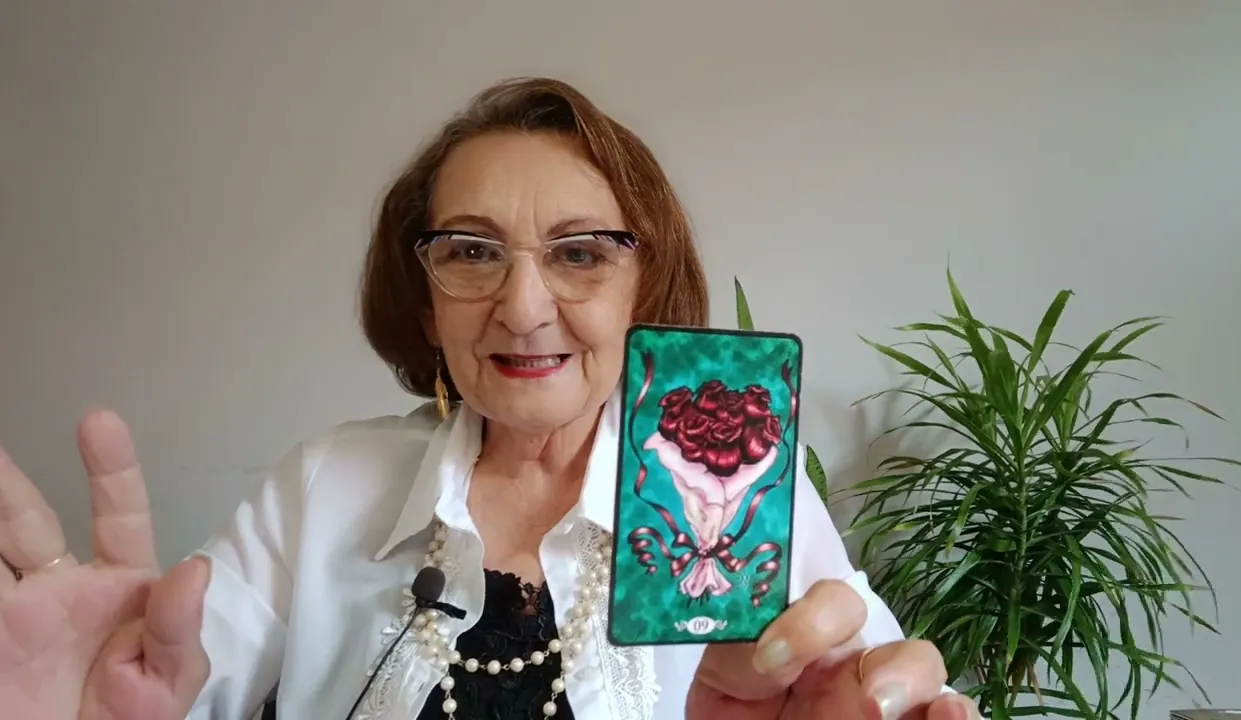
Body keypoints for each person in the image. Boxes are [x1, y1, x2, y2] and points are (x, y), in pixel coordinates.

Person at [0, 77, 979, 720]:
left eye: (580, 254)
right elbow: (166, 680)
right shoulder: (323, 487)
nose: (521, 306)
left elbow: (867, 686)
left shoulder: (745, 498)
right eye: (470, 251)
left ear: (643, 294)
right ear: (426, 301)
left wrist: (893, 697)